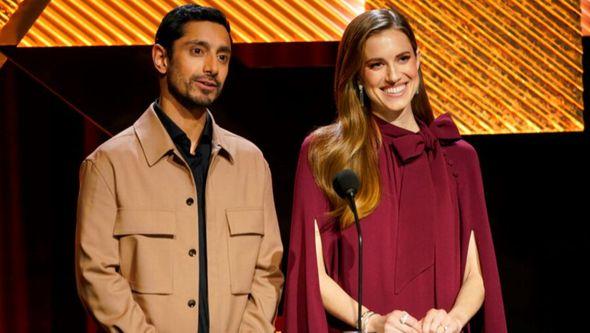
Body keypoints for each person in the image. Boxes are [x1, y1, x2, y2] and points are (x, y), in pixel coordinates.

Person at [284, 8, 507, 333]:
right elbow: (310, 271)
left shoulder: (458, 158)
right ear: (358, 74)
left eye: (402, 59)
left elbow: (476, 273)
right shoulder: (324, 153)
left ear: (418, 60)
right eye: (377, 64)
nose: (393, 76)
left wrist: (452, 319)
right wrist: (372, 322)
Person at [75, 4, 283, 332]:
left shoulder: (252, 163)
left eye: (223, 56)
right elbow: (97, 275)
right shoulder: (109, 164)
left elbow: (268, 271)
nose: (212, 67)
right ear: (161, 58)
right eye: (197, 51)